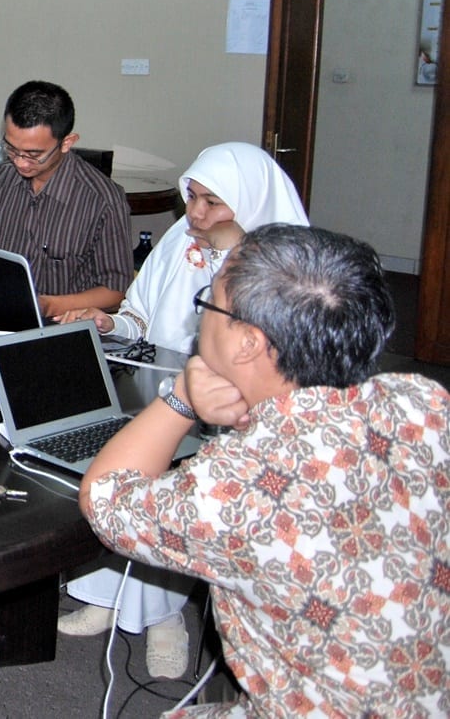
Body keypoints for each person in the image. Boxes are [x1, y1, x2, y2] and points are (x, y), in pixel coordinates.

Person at [81, 224, 449, 717]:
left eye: (208, 304)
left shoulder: (239, 481)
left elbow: (104, 498)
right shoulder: (423, 403)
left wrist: (182, 397)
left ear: (248, 343)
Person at [52, 142, 309, 678]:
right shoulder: (179, 239)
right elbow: (140, 319)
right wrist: (109, 323)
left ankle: (165, 615)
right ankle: (108, 594)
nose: (195, 213)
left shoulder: (282, 265)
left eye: (212, 203)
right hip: (160, 388)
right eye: (191, 198)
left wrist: (230, 254)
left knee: (172, 489)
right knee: (115, 467)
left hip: (230, 407)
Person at [0, 80, 130, 318]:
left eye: (34, 154)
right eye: (11, 149)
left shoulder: (102, 199)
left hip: (61, 324)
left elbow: (115, 290)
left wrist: (47, 305)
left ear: (66, 143)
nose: (20, 162)